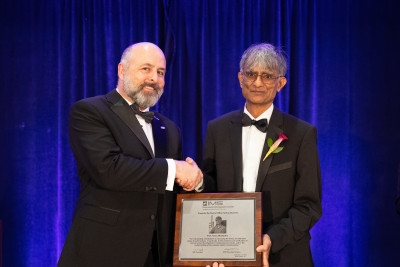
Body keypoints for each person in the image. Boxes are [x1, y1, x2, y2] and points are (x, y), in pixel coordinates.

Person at [58, 42, 203, 267]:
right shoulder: (89, 112)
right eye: (146, 69)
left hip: (157, 256)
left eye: (160, 72)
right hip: (103, 252)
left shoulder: (170, 128)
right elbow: (109, 169)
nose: (154, 78)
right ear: (122, 70)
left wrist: (194, 181)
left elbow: (170, 191)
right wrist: (175, 168)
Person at [203, 43, 322, 267]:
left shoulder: (302, 134)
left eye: (267, 76)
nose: (257, 82)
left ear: (281, 83)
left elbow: (309, 206)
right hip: (229, 255)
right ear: (240, 78)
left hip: (284, 256)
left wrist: (271, 239)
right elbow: (210, 190)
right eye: (251, 74)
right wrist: (197, 181)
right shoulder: (216, 129)